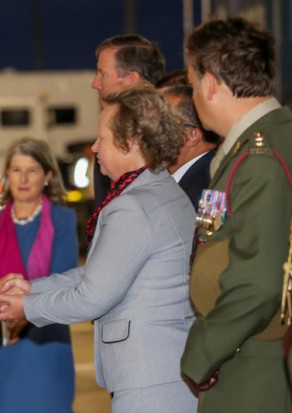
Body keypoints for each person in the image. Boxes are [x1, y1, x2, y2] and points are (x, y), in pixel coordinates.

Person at [0, 85, 197, 413]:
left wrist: (26, 308)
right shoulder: (160, 191)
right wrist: (33, 287)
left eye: (101, 137)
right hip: (164, 371)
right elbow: (101, 273)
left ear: (129, 142)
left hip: (150, 380)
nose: (94, 147)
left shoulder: (133, 206)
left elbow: (92, 296)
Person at [180, 17, 292, 412]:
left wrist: (200, 354)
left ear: (209, 84)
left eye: (192, 85)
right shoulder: (254, 145)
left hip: (254, 362)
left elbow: (259, 283)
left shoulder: (260, 158)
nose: (194, 96)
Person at [0, 137, 78, 413]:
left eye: (32, 170)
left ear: (48, 176)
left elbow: (65, 280)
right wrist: (1, 311)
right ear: (6, 174)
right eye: (16, 170)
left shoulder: (63, 220)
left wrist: (22, 310)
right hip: (4, 345)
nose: (23, 178)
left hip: (47, 344)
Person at [90, 34, 166, 208]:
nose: (95, 84)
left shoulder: (163, 139)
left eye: (102, 74)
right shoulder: (105, 140)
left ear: (132, 81)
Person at [157, 78, 219, 209]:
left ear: (191, 136)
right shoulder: (181, 180)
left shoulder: (208, 187)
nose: (148, 133)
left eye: (161, 125)